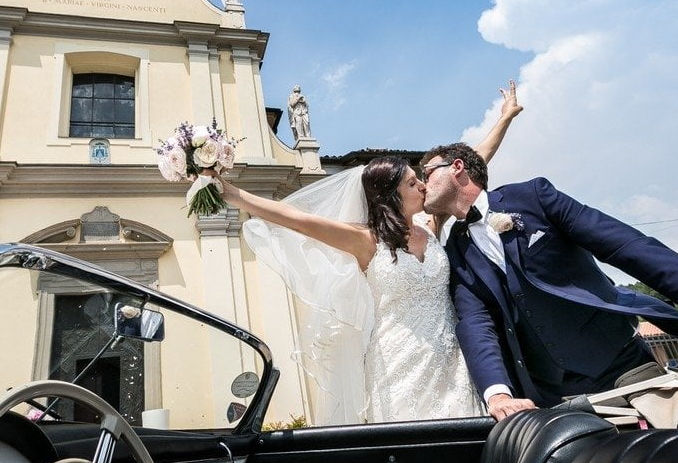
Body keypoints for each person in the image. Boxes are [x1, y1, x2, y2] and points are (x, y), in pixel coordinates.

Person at [420, 142, 678, 421]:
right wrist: (498, 393)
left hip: (621, 366)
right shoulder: (454, 249)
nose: (422, 184)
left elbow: (631, 248)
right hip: (546, 395)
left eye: (427, 172)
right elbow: (476, 324)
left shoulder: (534, 197)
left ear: (458, 169)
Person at [217, 84, 524, 425]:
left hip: (452, 359)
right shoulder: (365, 241)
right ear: (390, 196)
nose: (423, 185)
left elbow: (469, 164)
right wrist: (231, 193)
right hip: (395, 365)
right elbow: (299, 221)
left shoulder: (430, 223)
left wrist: (506, 118)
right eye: (412, 183)